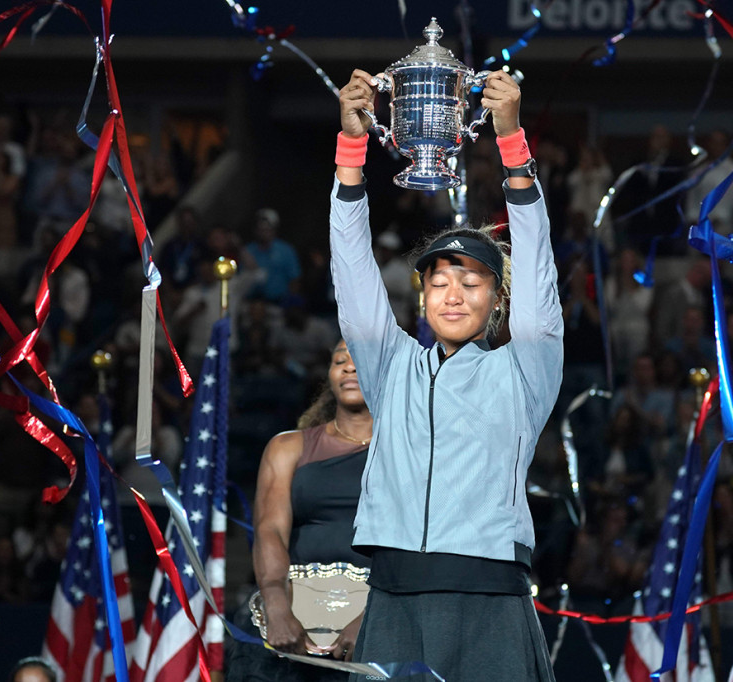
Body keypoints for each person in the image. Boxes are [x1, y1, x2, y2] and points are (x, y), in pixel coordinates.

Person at [331, 68, 561, 680]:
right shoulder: (391, 365)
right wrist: (351, 153)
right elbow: (352, 276)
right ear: (421, 296)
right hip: (396, 594)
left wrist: (512, 144)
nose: (453, 294)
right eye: (438, 280)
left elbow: (537, 269)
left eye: (471, 281)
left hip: (490, 600)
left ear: (496, 299)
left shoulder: (526, 368)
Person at [228, 340, 372, 681]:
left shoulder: (413, 451)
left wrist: (374, 617)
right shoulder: (288, 446)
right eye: (339, 361)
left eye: (361, 361)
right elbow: (270, 529)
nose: (349, 367)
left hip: (382, 604)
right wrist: (276, 602)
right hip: (295, 603)